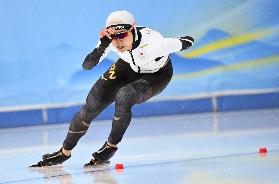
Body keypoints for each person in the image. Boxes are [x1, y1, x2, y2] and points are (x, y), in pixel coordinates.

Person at [31, 10, 194, 167]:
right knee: (91, 105)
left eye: (122, 34)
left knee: (124, 96)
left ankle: (111, 146)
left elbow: (186, 42)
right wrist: (102, 46)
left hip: (157, 74)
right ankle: (64, 152)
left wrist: (187, 40)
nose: (117, 41)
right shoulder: (109, 41)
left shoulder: (154, 43)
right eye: (113, 36)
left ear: (133, 28)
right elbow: (87, 65)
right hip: (127, 67)